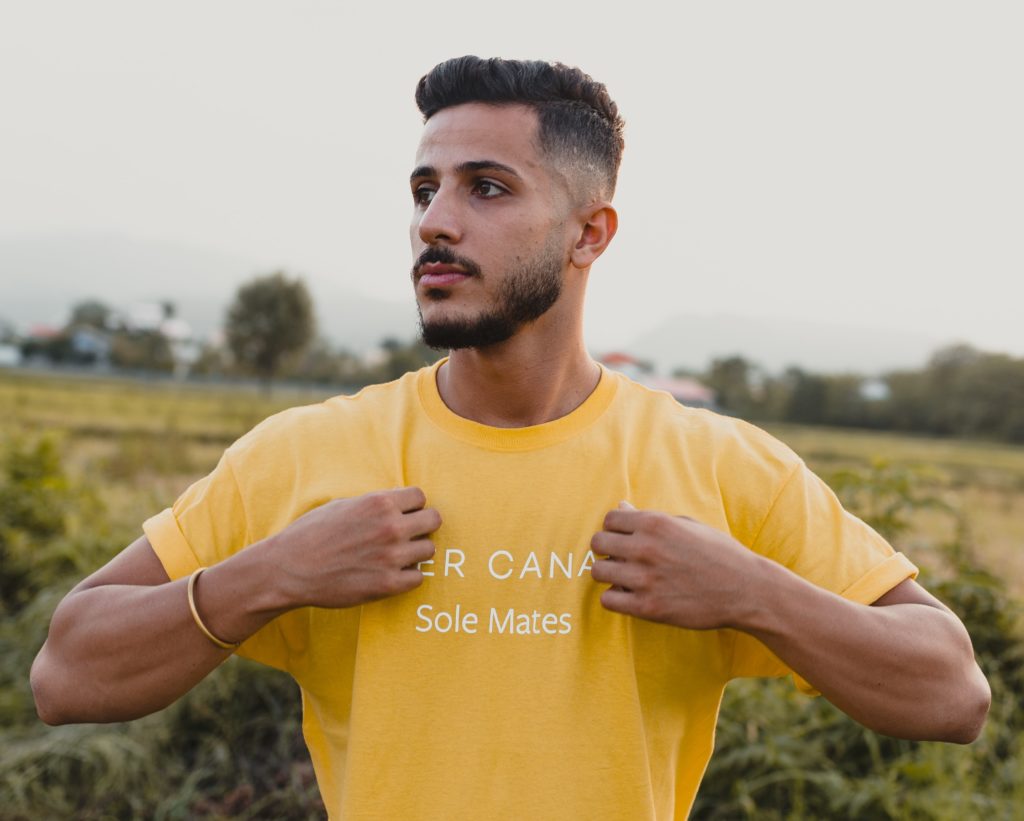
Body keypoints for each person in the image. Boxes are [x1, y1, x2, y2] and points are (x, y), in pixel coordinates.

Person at [31, 56, 990, 820]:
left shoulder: (717, 466)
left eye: (486, 188)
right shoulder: (307, 454)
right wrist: (269, 574)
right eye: (423, 188)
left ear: (589, 234)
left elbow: (951, 692)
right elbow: (66, 673)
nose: (434, 223)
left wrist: (752, 592)